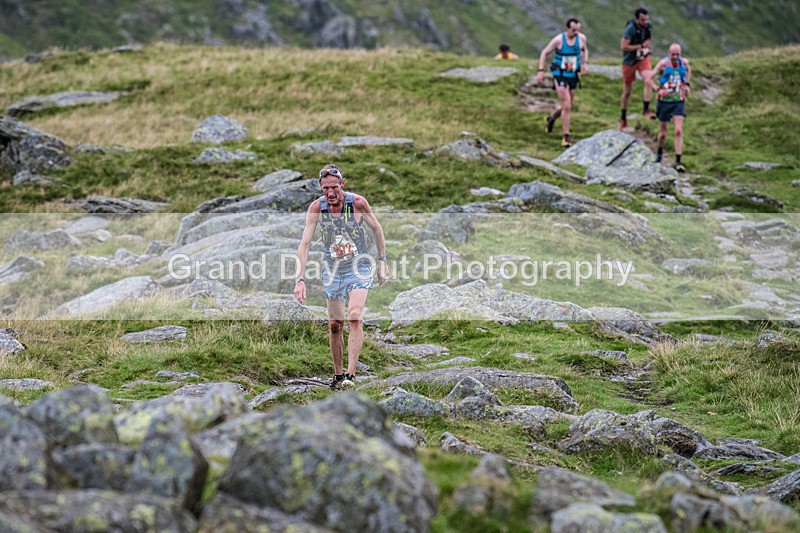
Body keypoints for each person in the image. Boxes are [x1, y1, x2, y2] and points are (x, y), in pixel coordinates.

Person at [294, 164, 389, 390]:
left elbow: (377, 229)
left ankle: (351, 376)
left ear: (342, 184)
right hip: (333, 269)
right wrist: (300, 279)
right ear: (321, 187)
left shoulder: (357, 203)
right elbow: (304, 244)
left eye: (334, 187)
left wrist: (382, 261)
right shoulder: (316, 208)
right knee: (336, 324)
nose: (330, 193)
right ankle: (337, 376)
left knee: (354, 315)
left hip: (359, 265)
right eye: (326, 188)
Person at [537, 18, 589, 148]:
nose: (576, 32)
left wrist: (585, 63)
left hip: (573, 75)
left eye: (578, 30)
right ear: (567, 29)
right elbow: (544, 52)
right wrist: (541, 71)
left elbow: (585, 50)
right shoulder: (558, 40)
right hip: (560, 74)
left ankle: (552, 119)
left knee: (568, 105)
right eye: (573, 30)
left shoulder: (581, 38)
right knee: (566, 104)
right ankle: (566, 137)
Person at [649, 43, 691, 172]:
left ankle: (678, 161)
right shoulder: (663, 64)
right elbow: (649, 78)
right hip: (664, 102)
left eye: (678, 54)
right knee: (663, 133)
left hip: (678, 100)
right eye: (673, 54)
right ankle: (659, 154)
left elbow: (688, 70)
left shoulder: (684, 63)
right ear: (668, 53)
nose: (675, 57)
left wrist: (687, 85)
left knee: (678, 130)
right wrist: (658, 89)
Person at [619, 7, 656, 130]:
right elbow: (623, 46)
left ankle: (646, 110)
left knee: (648, 78)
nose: (645, 22)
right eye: (643, 20)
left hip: (642, 59)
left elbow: (648, 40)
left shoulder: (648, 26)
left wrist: (647, 49)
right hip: (629, 61)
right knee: (627, 91)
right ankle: (623, 117)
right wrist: (640, 46)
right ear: (637, 19)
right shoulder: (630, 29)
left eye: (647, 19)